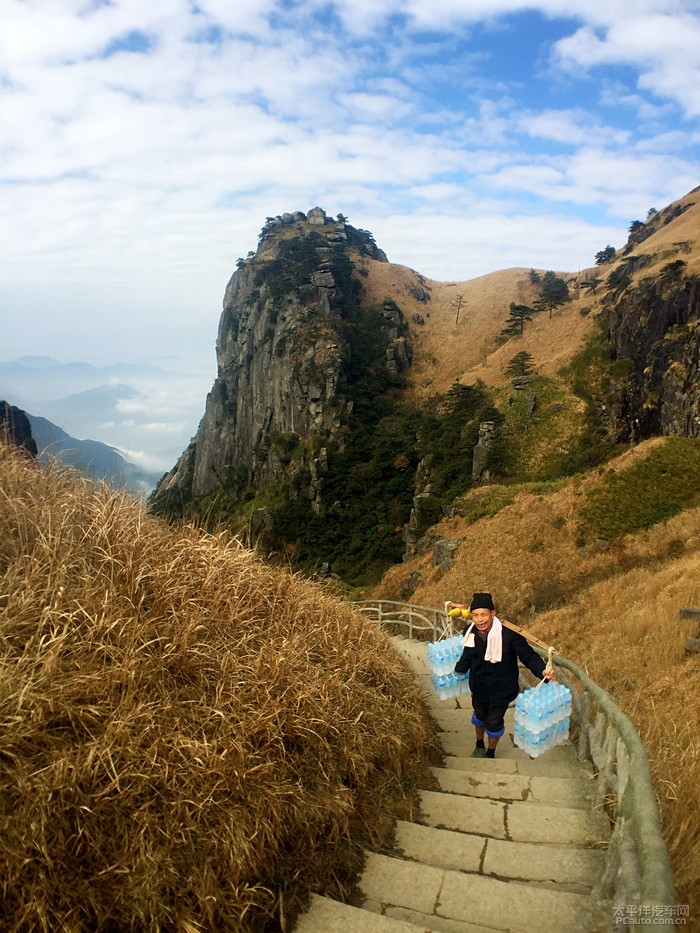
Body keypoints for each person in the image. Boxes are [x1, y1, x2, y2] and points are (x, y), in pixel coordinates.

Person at [453, 592, 555, 759]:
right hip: (478, 685)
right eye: (476, 615)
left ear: (493, 614)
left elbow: (528, 656)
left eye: (484, 614)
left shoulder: (509, 634)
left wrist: (543, 671)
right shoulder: (469, 631)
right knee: (479, 716)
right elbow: (468, 653)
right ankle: (479, 743)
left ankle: (490, 752)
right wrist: (461, 667)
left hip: (503, 689)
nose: (480, 620)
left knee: (494, 722)